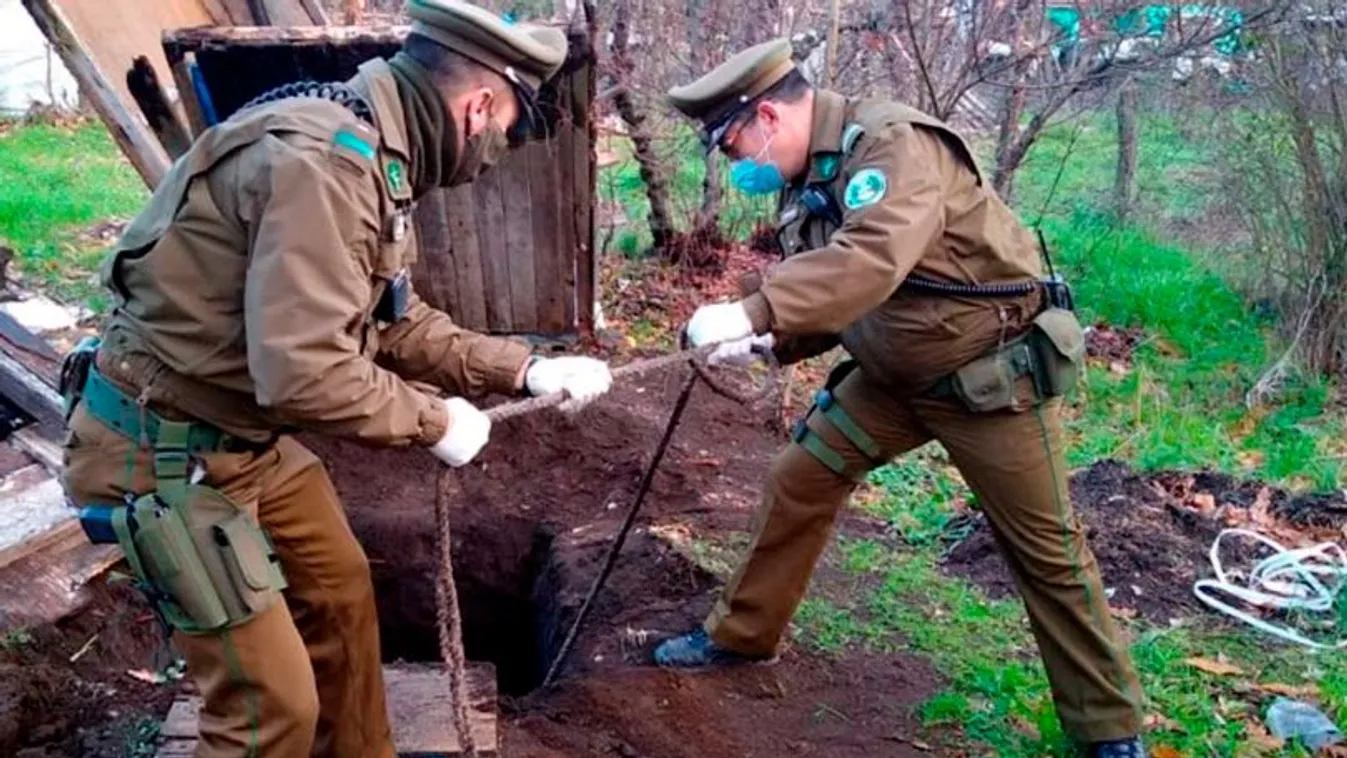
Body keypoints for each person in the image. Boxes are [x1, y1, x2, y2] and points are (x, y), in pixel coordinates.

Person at [57, 1, 611, 756]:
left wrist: (524, 368)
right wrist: (435, 421)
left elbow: (389, 323)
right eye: (509, 129)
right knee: (267, 709)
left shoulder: (366, 151)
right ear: (478, 107)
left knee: (340, 589)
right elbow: (304, 373)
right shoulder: (325, 163)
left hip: (239, 436)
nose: (498, 151)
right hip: (162, 452)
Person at [654, 38, 1148, 758]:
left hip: (987, 380)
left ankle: (1109, 729)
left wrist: (756, 313)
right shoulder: (811, 175)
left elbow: (870, 258)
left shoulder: (893, 146)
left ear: (766, 114)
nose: (739, 169)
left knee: (1044, 549)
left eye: (734, 150)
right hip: (891, 379)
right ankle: (741, 636)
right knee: (801, 478)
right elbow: (827, 290)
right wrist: (761, 336)